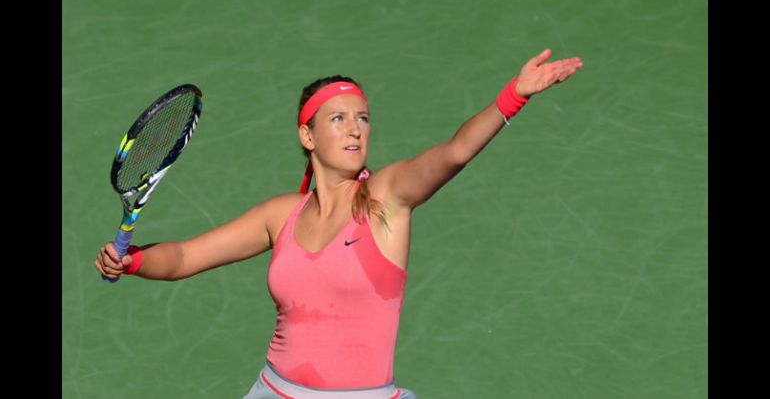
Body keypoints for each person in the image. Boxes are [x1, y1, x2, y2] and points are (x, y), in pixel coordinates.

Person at [95, 47, 583, 399]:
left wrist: (514, 95)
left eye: (363, 118)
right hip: (274, 391)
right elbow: (185, 257)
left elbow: (455, 153)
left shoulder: (387, 199)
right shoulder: (280, 215)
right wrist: (132, 261)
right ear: (307, 136)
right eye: (338, 119)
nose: (355, 129)